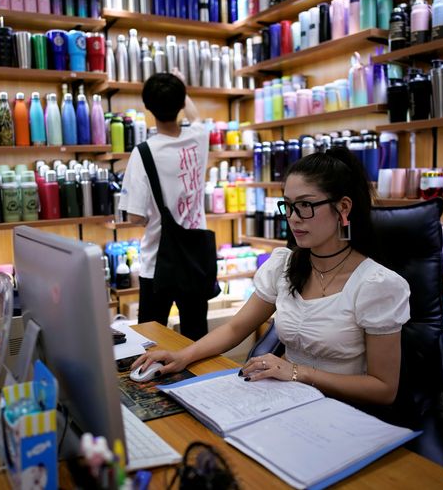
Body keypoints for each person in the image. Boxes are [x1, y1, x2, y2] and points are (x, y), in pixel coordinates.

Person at [132, 147, 411, 405]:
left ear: (343, 208)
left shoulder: (377, 285)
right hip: (284, 401)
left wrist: (296, 372)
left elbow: (384, 388)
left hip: (342, 414)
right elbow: (235, 328)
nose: (293, 218)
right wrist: (182, 356)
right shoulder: (285, 266)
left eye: (305, 205)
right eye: (288, 205)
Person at [119, 71, 210, 341]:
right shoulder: (199, 138)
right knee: (197, 337)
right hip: (196, 259)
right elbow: (196, 118)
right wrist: (182, 85)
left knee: (150, 338)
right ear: (182, 103)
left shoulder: (143, 153)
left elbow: (135, 216)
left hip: (159, 263)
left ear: (148, 108)